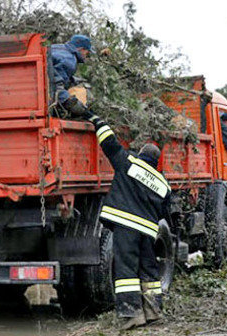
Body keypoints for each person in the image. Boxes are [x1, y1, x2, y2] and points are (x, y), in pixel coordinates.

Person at [78, 109, 171, 330]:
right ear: (156, 162)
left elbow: (109, 144)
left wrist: (96, 120)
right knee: (149, 271)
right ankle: (153, 311)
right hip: (148, 231)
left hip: (126, 227)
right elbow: (165, 213)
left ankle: (132, 314)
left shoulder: (129, 164)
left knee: (127, 271)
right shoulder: (164, 185)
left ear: (141, 154)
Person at [50, 35, 92, 115]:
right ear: (81, 49)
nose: (87, 55)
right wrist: (69, 101)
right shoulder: (69, 60)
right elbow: (55, 83)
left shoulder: (55, 47)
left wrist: (72, 80)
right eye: (87, 52)